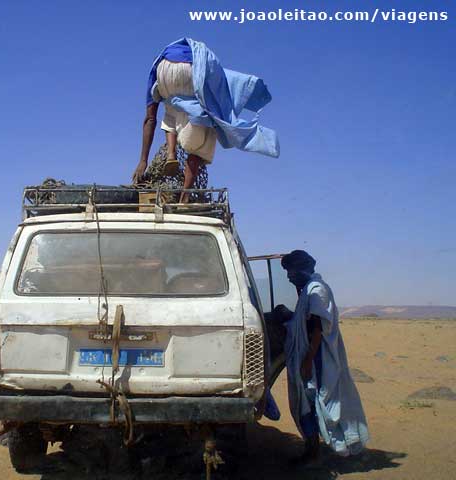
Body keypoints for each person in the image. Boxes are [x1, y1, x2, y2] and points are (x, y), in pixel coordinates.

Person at [132, 37, 279, 203]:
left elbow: (150, 119)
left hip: (164, 71)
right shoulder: (202, 62)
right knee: (204, 132)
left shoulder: (156, 66)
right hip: (191, 67)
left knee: (171, 107)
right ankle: (184, 198)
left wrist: (142, 161)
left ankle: (171, 154)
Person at [277, 250, 369, 465]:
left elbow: (317, 328)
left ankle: (313, 452)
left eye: (290, 271)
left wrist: (308, 361)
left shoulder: (317, 290)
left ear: (301, 268)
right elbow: (305, 321)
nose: (289, 276)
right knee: (307, 402)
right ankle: (312, 448)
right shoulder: (308, 290)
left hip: (317, 358)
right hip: (309, 356)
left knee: (315, 401)